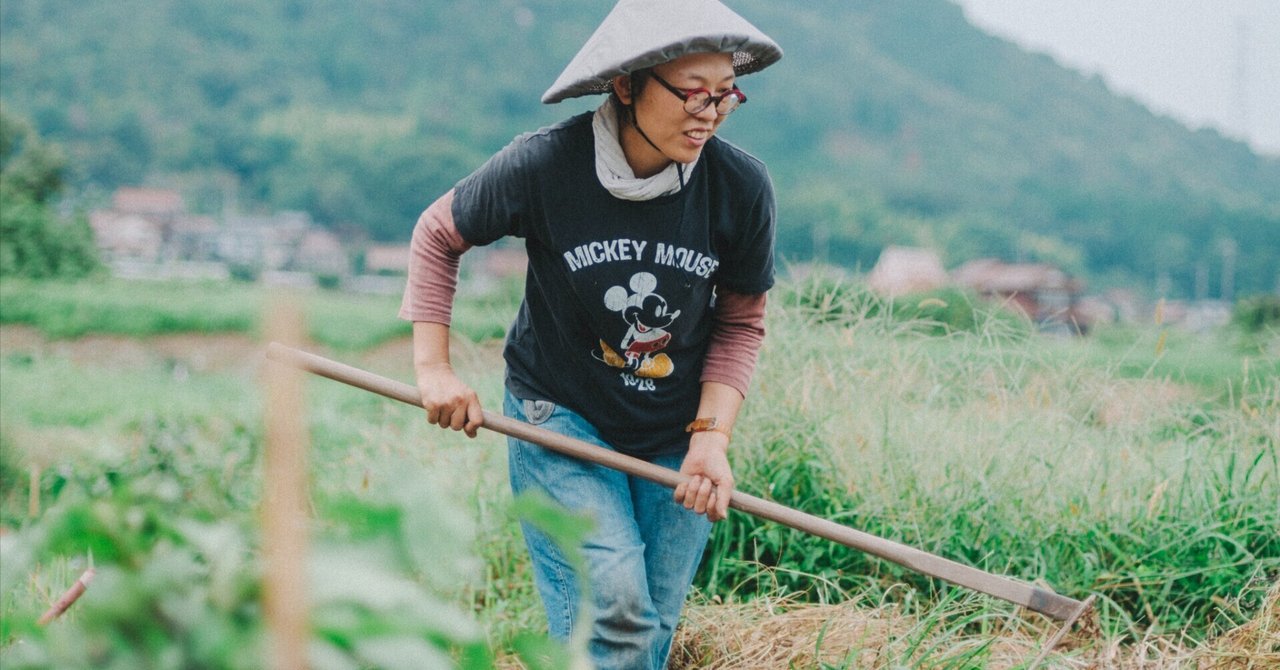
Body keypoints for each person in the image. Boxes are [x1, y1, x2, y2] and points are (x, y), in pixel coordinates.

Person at [399, 1, 782, 667]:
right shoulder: (545, 166)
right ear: (627, 84)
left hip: (675, 430)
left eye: (726, 95)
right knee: (615, 615)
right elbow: (438, 234)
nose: (709, 113)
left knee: (650, 632)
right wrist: (434, 369)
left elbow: (741, 321)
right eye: (692, 93)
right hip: (561, 416)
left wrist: (711, 440)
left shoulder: (739, 186)